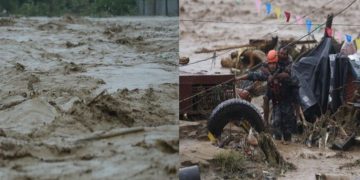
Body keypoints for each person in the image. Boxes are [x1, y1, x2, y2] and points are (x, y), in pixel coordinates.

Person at [237, 49, 298, 143]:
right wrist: (238, 78)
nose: (272, 65)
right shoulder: (267, 73)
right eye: (270, 63)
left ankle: (288, 142)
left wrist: (297, 112)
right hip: (276, 102)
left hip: (287, 102)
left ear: (277, 62)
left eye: (274, 63)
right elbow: (253, 75)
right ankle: (278, 143)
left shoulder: (285, 72)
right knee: (276, 124)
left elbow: (295, 92)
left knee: (287, 128)